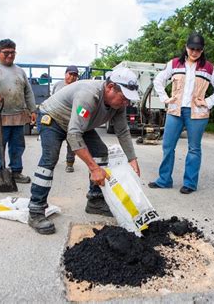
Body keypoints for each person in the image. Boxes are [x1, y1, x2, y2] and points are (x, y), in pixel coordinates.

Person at [28, 67, 141, 234]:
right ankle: (36, 210)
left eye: (128, 100)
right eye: (123, 98)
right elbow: (74, 135)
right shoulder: (89, 95)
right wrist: (94, 168)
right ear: (110, 87)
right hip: (54, 118)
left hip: (80, 123)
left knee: (101, 152)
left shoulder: (119, 105)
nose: (126, 103)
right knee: (49, 159)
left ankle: (95, 200)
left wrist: (132, 159)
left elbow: (122, 131)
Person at [148, 32, 214, 194]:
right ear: (186, 47)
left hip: (197, 113)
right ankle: (164, 180)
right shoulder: (175, 64)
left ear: (202, 50)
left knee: (194, 148)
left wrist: (208, 102)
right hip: (175, 111)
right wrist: (165, 98)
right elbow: (158, 80)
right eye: (192, 48)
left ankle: (189, 183)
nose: (194, 52)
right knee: (168, 146)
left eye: (198, 49)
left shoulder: (208, 67)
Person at [0, 39, 36, 190]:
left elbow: (27, 92)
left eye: (13, 52)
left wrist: (33, 110)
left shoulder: (20, 71)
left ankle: (16, 172)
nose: (10, 55)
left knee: (17, 146)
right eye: (6, 53)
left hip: (17, 115)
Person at [51, 65, 80, 173]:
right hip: (57, 119)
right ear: (65, 74)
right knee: (54, 143)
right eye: (70, 74)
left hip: (71, 119)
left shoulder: (78, 87)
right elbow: (52, 99)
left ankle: (69, 163)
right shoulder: (58, 85)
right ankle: (52, 161)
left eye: (75, 75)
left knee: (72, 142)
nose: (72, 77)